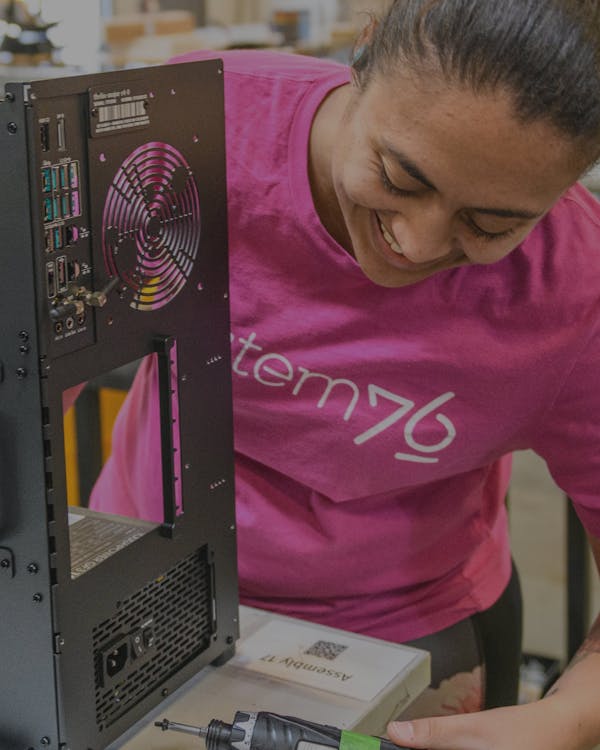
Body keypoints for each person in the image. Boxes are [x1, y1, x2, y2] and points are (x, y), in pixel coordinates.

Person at [90, 0, 600, 747]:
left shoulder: (573, 293)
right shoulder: (190, 126)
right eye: (399, 176)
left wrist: (570, 717)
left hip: (406, 631)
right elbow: (45, 341)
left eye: (489, 224)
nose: (417, 244)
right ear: (364, 50)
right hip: (144, 575)